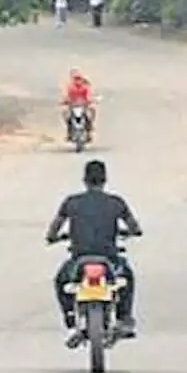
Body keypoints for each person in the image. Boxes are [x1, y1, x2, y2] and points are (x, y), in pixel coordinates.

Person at [46, 159, 142, 346]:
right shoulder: (116, 202)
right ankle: (124, 318)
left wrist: (54, 238)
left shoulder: (71, 202)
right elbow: (134, 227)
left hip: (79, 260)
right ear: (105, 180)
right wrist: (130, 233)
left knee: (61, 281)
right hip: (109, 259)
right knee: (127, 278)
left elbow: (53, 230)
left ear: (85, 180)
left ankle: (71, 320)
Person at [62, 68, 96, 138]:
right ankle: (69, 130)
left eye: (79, 78)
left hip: (83, 106)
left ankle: (89, 127)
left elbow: (89, 95)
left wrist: (90, 100)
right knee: (65, 113)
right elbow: (66, 95)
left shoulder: (85, 86)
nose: (77, 80)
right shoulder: (70, 87)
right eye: (75, 78)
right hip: (73, 106)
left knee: (92, 110)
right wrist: (65, 100)